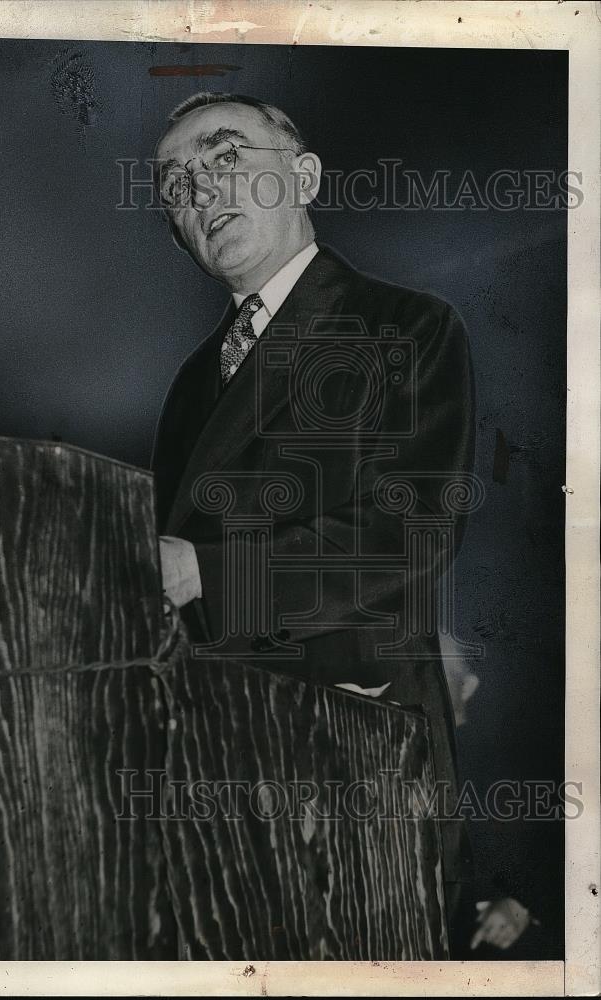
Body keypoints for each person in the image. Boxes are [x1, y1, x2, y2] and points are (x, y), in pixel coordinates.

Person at [149, 91, 527, 954]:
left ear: (304, 174)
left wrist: (207, 571)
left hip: (357, 761)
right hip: (216, 770)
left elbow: (413, 536)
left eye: (224, 156)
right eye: (176, 182)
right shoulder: (187, 386)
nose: (201, 189)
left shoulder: (408, 326)